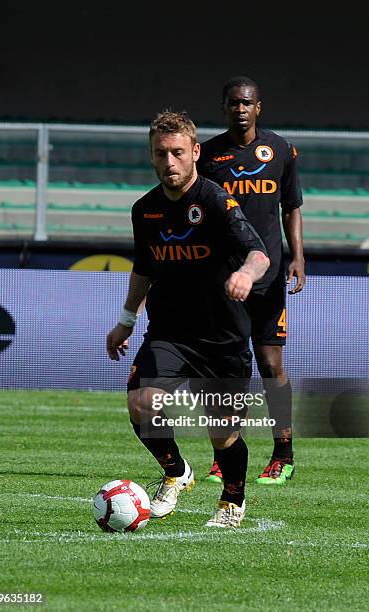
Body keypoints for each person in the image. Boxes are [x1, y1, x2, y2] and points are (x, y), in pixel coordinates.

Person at [106, 110, 270, 528]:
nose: (170, 162)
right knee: (141, 405)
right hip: (171, 333)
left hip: (224, 337)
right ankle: (177, 472)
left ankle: (233, 501)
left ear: (195, 152)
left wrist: (245, 274)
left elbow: (259, 253)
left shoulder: (215, 200)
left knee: (223, 433)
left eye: (178, 152)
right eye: (161, 154)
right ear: (152, 156)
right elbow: (144, 268)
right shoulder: (145, 210)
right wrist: (126, 319)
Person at [197, 76, 305, 486]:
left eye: (247, 103)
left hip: (270, 276)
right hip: (224, 280)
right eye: (233, 103)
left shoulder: (280, 150)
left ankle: (283, 454)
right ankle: (227, 452)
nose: (240, 109)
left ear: (259, 107)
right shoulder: (206, 155)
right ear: (223, 108)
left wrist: (298, 256)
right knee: (228, 366)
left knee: (269, 363)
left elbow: (291, 207)